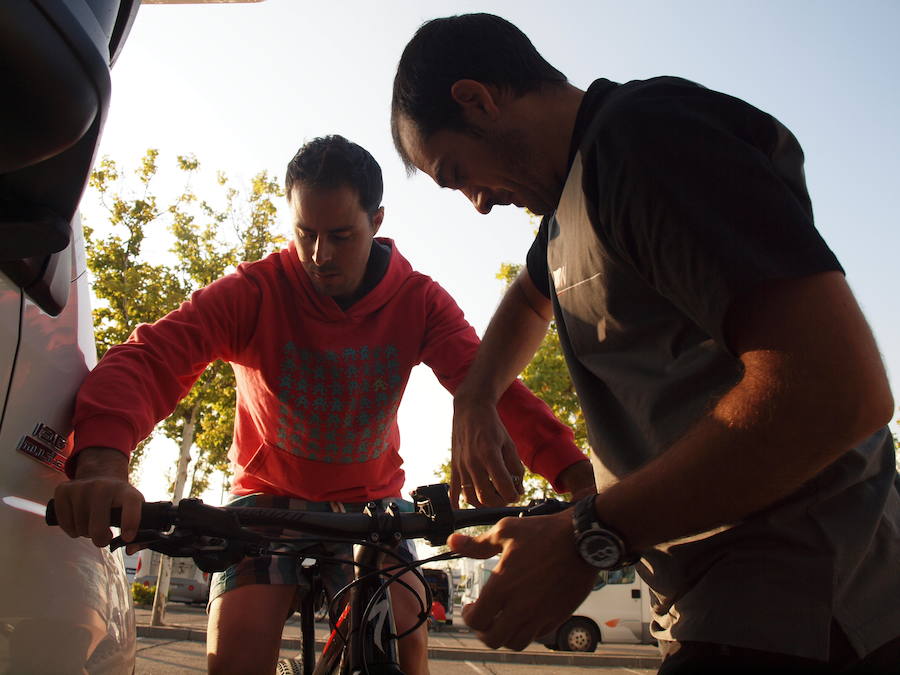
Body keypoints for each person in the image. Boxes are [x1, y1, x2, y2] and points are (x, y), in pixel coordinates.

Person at [390, 13, 900, 673]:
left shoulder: (646, 138)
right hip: (718, 603)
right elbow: (528, 295)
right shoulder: (569, 207)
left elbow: (837, 389)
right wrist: (475, 396)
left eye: (457, 172)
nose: (477, 202)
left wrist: (588, 535)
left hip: (807, 598)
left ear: (477, 100)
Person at [51, 135, 595, 675]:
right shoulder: (254, 292)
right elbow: (150, 360)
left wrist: (580, 483)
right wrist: (102, 461)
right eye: (305, 233)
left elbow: (494, 390)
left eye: (341, 235)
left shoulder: (419, 301)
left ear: (376, 221)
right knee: (234, 657)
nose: (319, 255)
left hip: (373, 508)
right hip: (265, 505)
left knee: (402, 652)